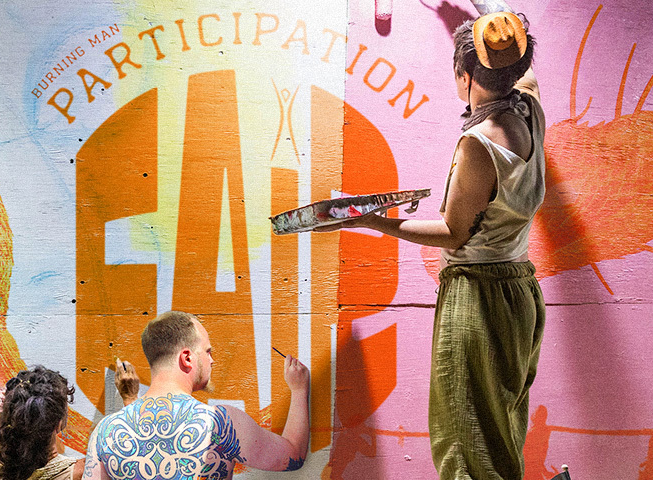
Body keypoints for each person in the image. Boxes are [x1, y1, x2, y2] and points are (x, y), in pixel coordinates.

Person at [316, 1, 545, 478]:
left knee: (465, 444)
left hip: (477, 299)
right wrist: (485, 12)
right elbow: (514, 52)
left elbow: (453, 232)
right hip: (520, 291)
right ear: (518, 63)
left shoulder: (479, 145)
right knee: (499, 434)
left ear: (465, 76)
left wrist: (371, 218)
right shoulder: (529, 108)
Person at [82, 310, 311, 479]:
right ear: (187, 358)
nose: (212, 359)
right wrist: (299, 390)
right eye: (208, 351)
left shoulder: (106, 432)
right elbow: (293, 456)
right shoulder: (222, 423)